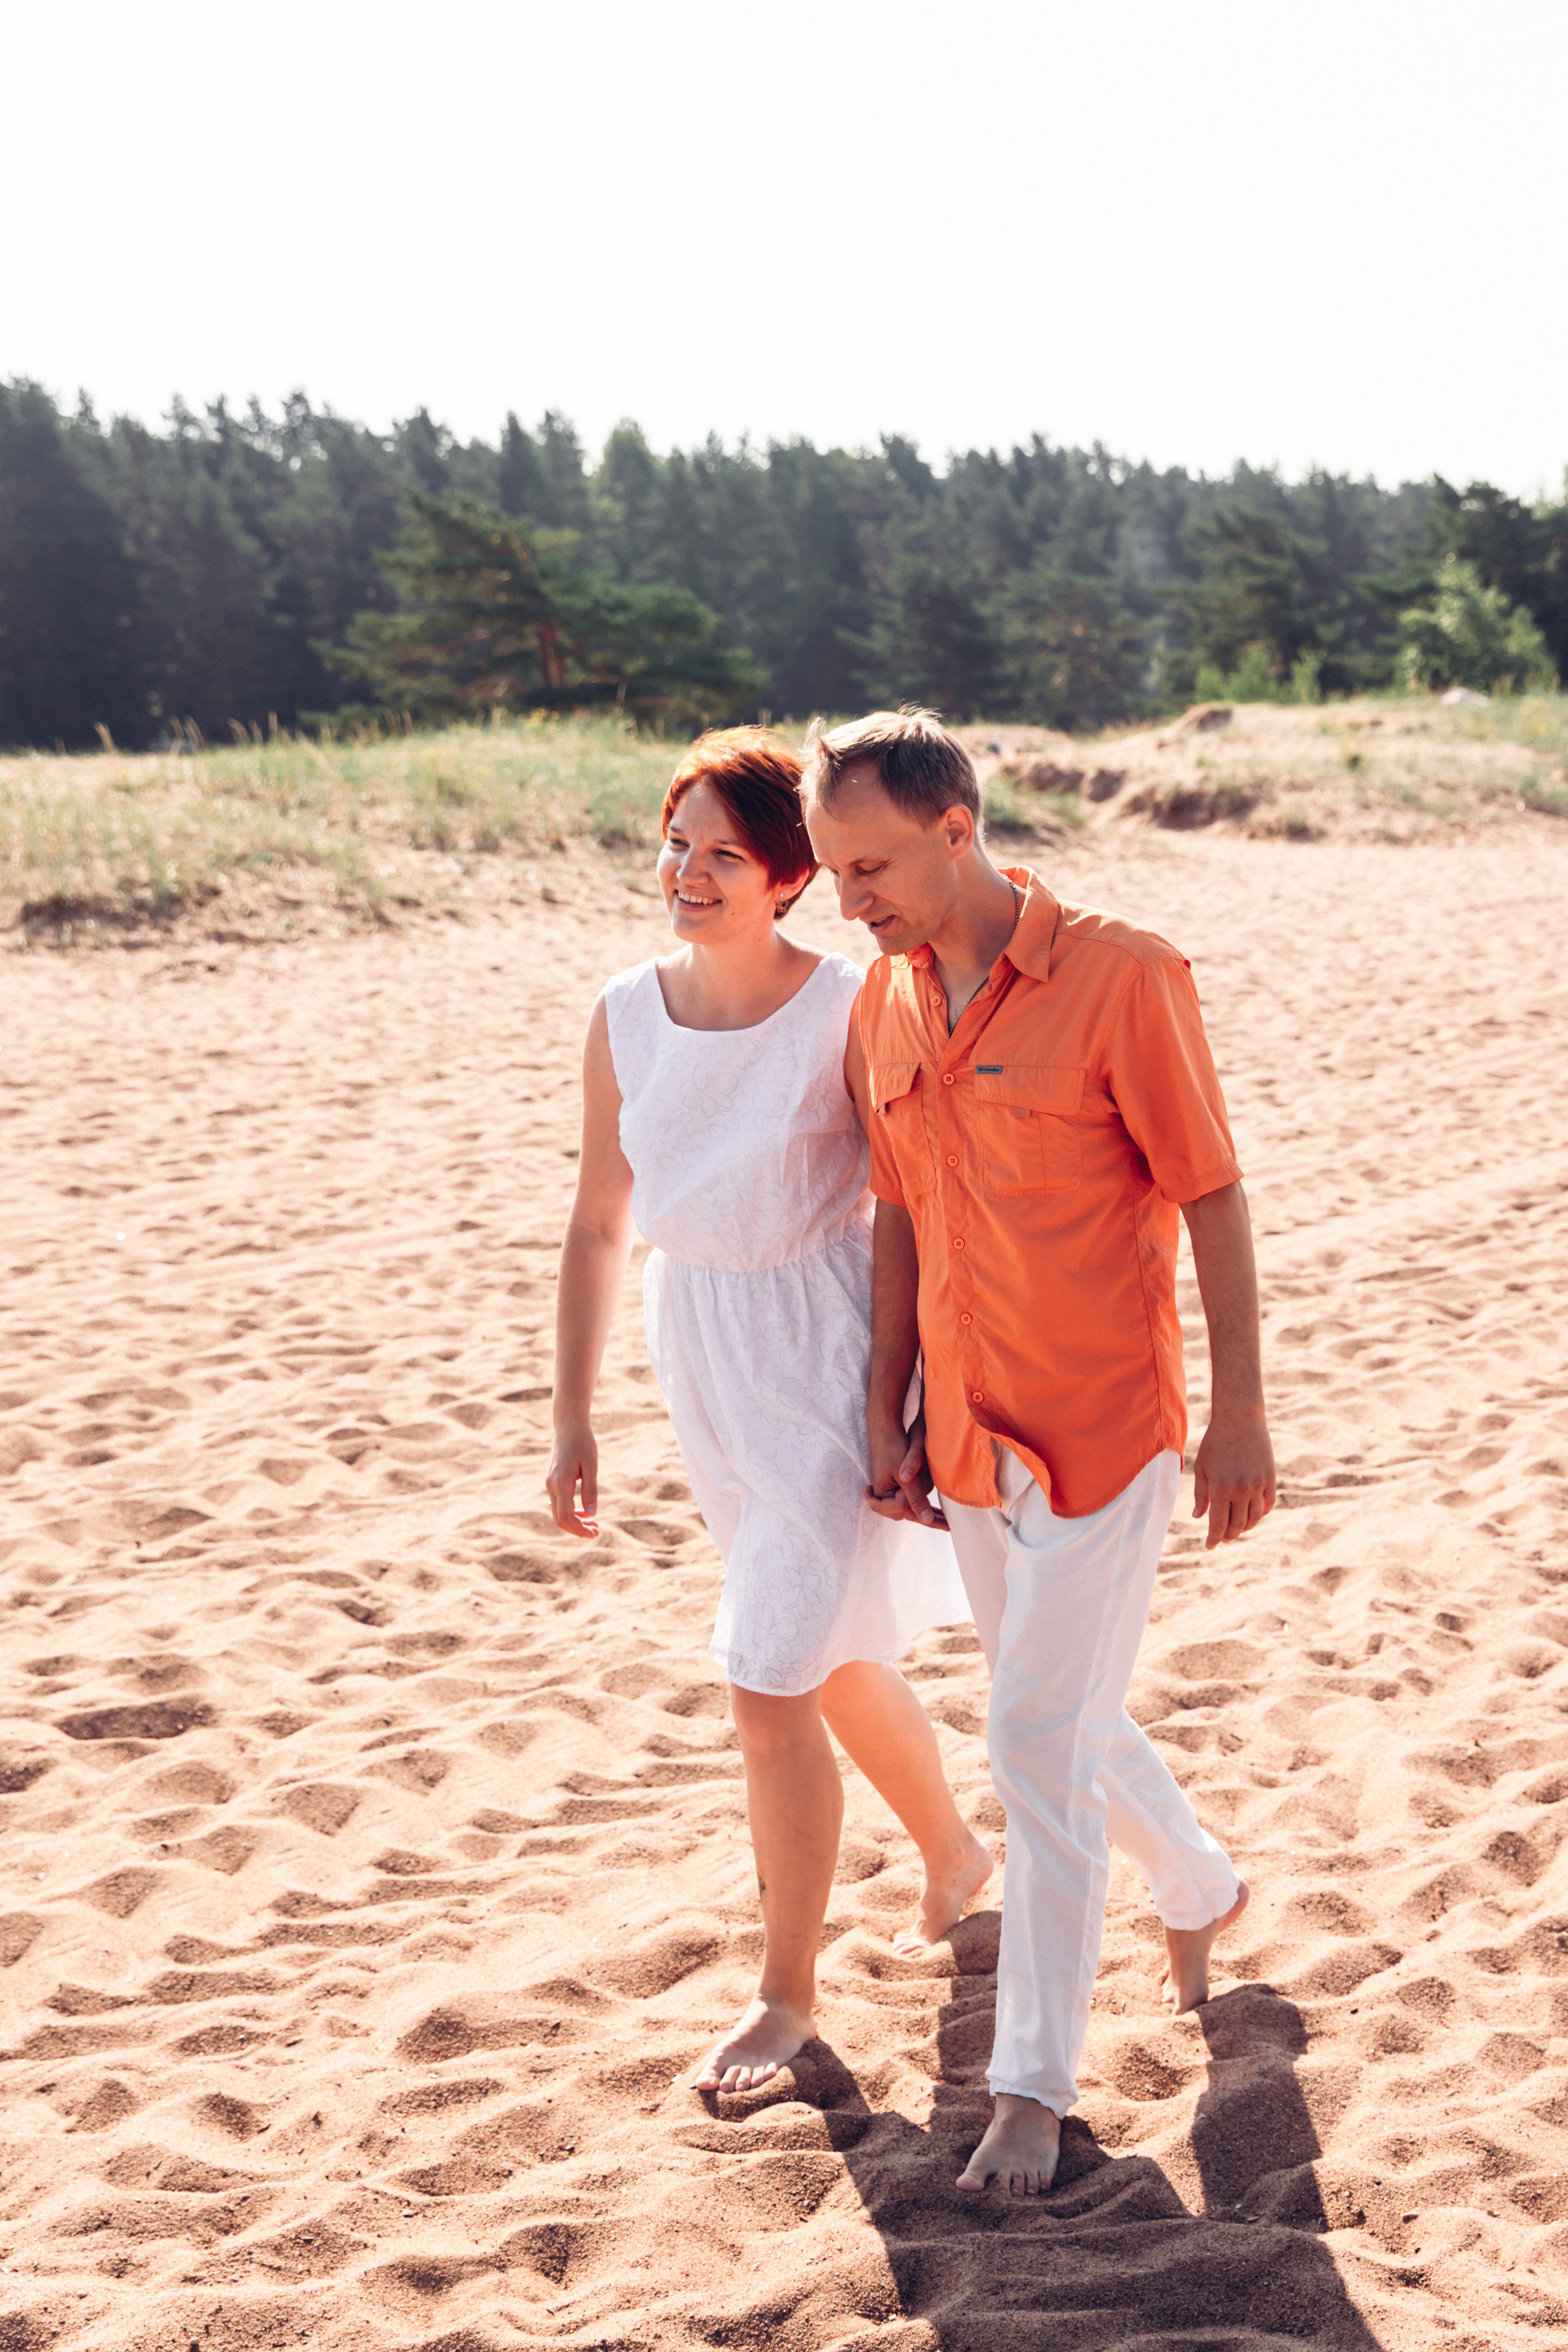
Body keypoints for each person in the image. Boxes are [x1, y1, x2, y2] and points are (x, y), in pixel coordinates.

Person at [802, 707, 1275, 2197]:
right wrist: (886, 1412)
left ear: (958, 831)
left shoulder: (1123, 978)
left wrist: (1241, 1412)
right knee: (1048, 1714)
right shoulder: (882, 1003)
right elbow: (895, 1221)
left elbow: (1207, 1192)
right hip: (965, 1440)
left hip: (1104, 1425)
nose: (844, 898)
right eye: (825, 868)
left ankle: (1032, 2092)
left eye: (867, 864)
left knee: (1027, 1743)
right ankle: (1198, 1884)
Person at [546, 726, 991, 2095]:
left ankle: (785, 2000)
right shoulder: (624, 1010)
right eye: (673, 842)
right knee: (836, 1654)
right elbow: (599, 1218)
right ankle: (959, 1858)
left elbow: (914, 1200)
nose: (684, 870)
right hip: (703, 1353)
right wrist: (573, 1415)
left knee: (764, 1676)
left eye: (719, 854)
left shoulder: (849, 1005)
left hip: (824, 1343)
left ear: (788, 877)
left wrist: (899, 1398)